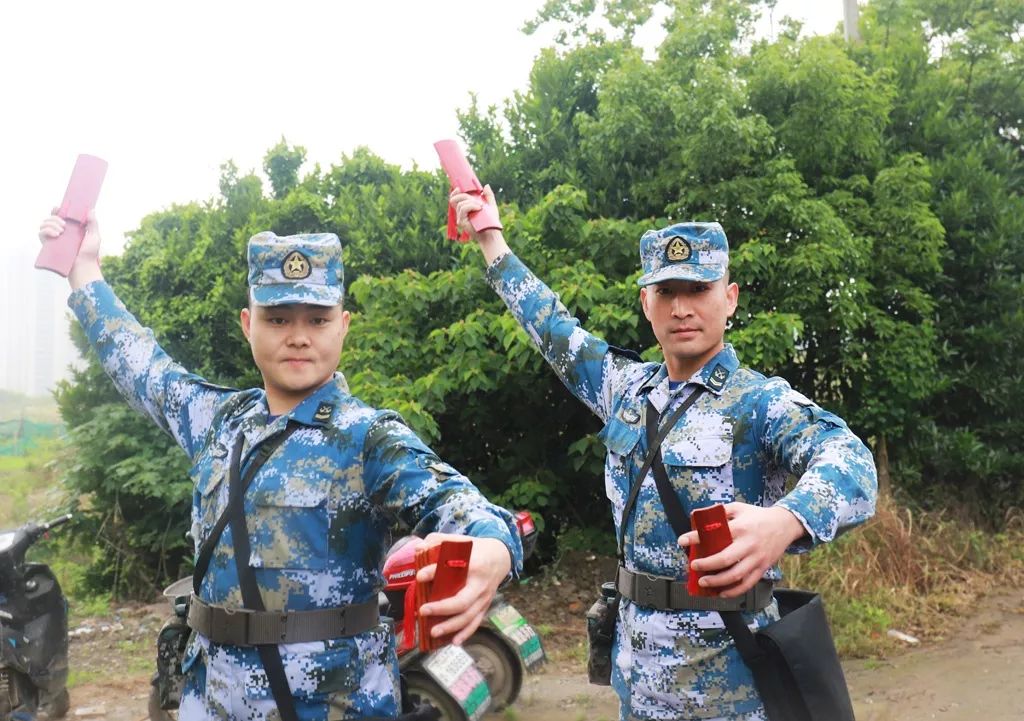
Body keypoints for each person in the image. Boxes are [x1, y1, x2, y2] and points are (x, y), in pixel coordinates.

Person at [37, 212, 523, 720]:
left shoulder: (368, 437)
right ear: (248, 325)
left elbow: (462, 505)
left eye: (317, 319)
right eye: (277, 319)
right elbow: (141, 366)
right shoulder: (219, 421)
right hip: (212, 701)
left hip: (331, 704)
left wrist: (492, 546)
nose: (298, 336)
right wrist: (83, 270)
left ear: (344, 325)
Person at [449, 187, 878, 721]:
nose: (682, 307)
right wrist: (492, 240)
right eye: (666, 290)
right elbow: (553, 328)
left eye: (699, 289)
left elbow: (851, 460)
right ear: (646, 303)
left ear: (730, 298)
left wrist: (785, 521)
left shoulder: (759, 403)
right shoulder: (625, 390)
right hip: (642, 682)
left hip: (734, 683)